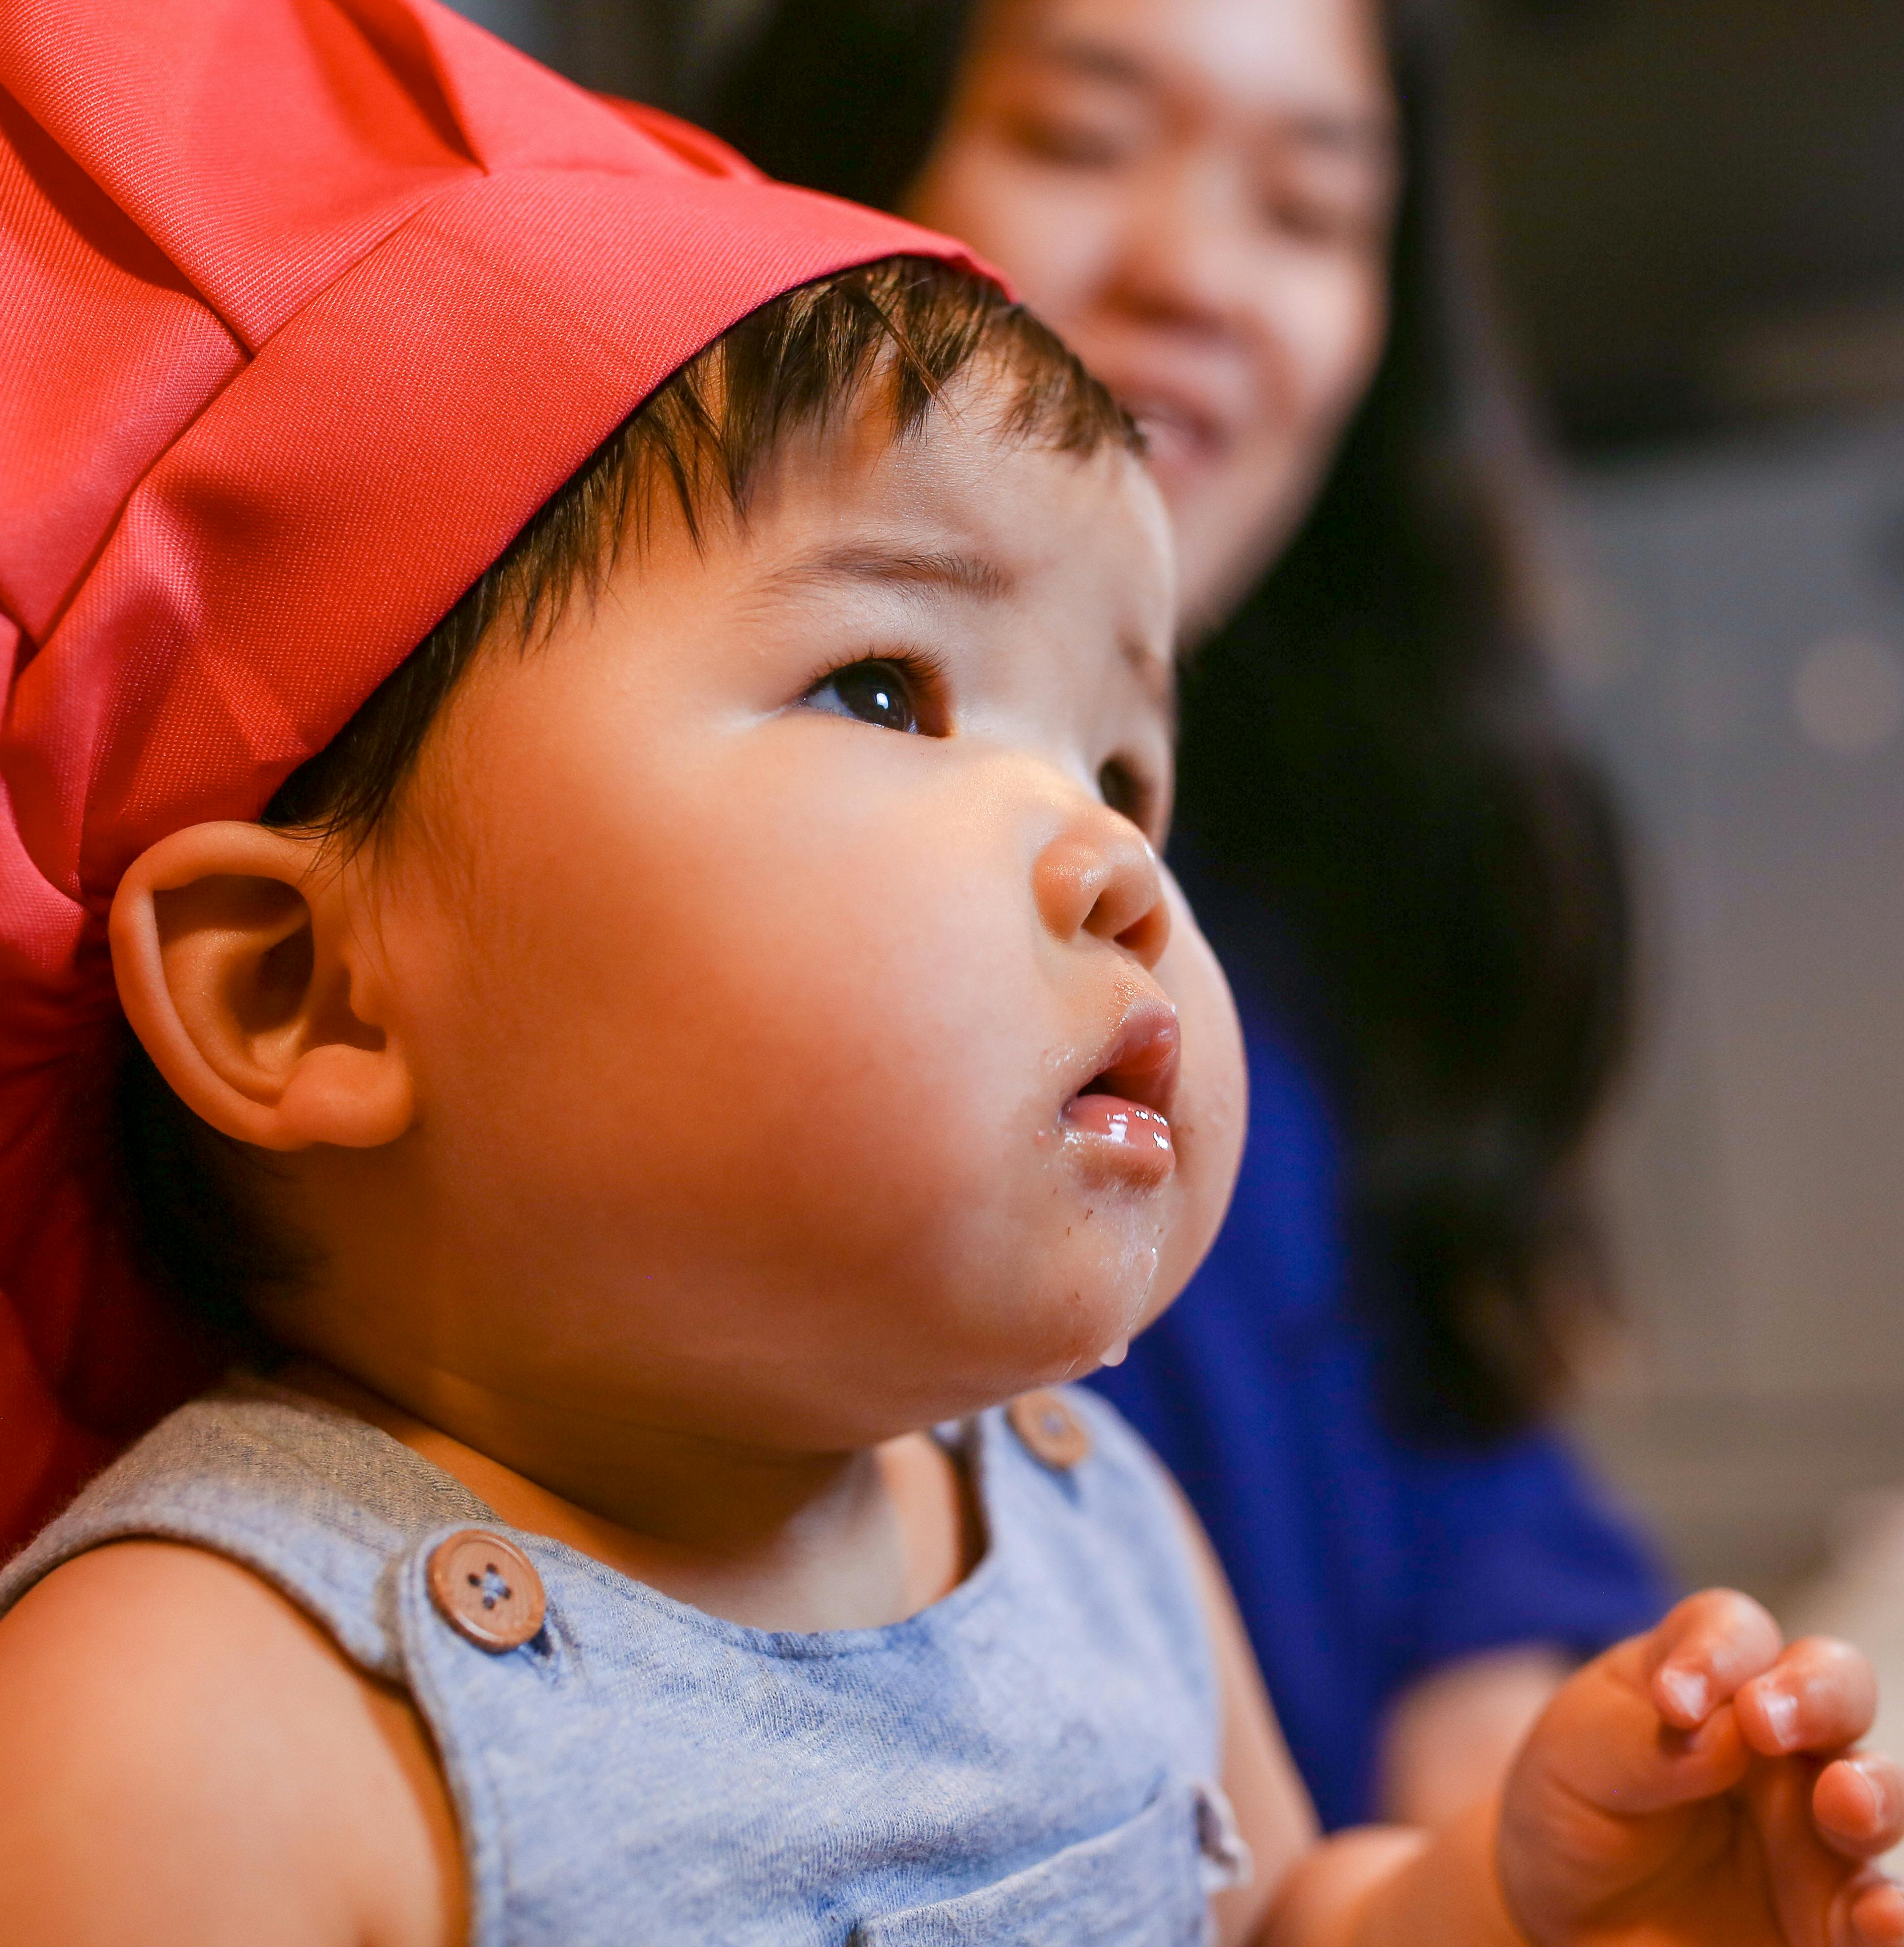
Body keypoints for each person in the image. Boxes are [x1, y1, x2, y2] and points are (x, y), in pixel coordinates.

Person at [0, 0, 1904, 1939]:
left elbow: (1271, 1901)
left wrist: (1500, 1904)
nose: (1117, 867)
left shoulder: (1080, 1514)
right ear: (295, 996)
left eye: (1125, 769)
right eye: (885, 693)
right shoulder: (184, 1734)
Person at [707, 0, 1668, 1830]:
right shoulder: (693, 936)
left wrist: (1536, 1808)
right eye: (1076, 140)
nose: (1203, 276)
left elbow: (1468, 1502)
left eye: (1309, 214)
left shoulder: (1338, 899)